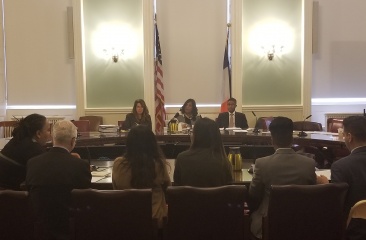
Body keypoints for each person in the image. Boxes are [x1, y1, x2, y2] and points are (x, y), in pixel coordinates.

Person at [249, 117, 317, 239]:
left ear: (271, 140)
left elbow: (253, 195)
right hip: (301, 225)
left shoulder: (261, 164)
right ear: (292, 139)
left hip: (267, 224)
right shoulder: (309, 164)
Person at [26, 120, 91, 240]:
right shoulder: (80, 166)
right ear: (72, 141)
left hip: (40, 228)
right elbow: (85, 199)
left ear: (53, 138)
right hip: (71, 228)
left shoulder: (32, 163)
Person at [112, 125, 171, 228]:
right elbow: (168, 189)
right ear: (152, 144)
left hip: (126, 220)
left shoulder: (118, 164)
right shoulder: (158, 164)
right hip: (155, 220)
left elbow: (115, 189)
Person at [330, 116, 366, 240]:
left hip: (355, 231)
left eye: (344, 135)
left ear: (349, 137)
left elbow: (336, 205)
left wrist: (327, 186)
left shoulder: (340, 167)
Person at [174, 117, 232, 187]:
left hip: (189, 198)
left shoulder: (182, 159)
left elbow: (176, 187)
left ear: (195, 135)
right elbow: (229, 189)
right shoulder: (223, 161)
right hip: (215, 198)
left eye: (192, 132)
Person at [0, 113, 51, 190]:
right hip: (14, 195)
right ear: (38, 133)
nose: (50, 133)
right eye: (48, 130)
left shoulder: (16, 140)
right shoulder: (34, 149)